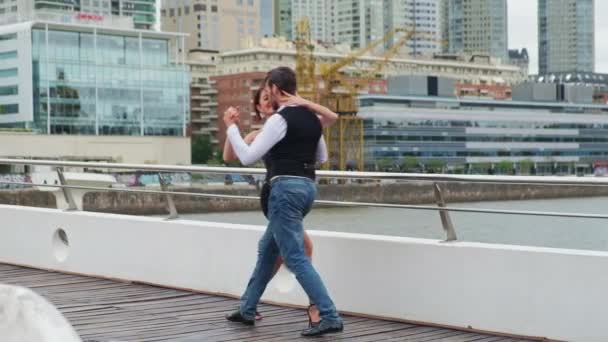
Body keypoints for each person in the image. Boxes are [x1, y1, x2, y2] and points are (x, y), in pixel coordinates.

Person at [224, 67, 344, 337]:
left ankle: (329, 315)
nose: (268, 95)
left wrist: (231, 127)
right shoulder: (312, 118)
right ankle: (247, 308)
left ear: (277, 90)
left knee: (295, 257)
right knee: (268, 250)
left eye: (268, 91)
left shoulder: (280, 119)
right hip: (307, 187)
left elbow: (246, 157)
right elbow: (321, 156)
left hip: (285, 190)